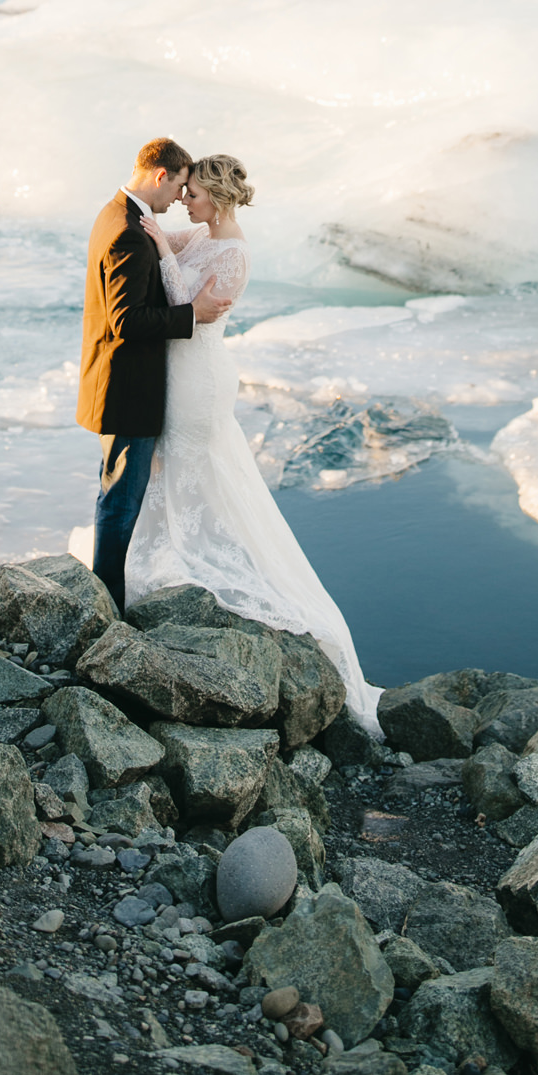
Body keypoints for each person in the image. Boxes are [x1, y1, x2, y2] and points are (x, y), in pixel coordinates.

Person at [126, 152, 384, 734]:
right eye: (184, 191)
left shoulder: (234, 253)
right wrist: (150, 217)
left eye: (193, 194)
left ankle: (198, 555)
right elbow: (150, 229)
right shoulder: (198, 233)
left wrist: (165, 252)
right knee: (176, 465)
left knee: (197, 466)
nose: (185, 201)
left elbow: (182, 305)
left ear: (215, 199)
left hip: (199, 376)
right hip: (179, 370)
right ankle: (168, 551)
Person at [78, 137, 229, 616]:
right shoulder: (127, 230)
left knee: (116, 493)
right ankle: (107, 609)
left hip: (117, 381)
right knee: (120, 502)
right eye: (180, 186)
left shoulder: (115, 213)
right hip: (128, 388)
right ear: (161, 176)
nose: (179, 200)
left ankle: (107, 600)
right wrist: (192, 315)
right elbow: (127, 320)